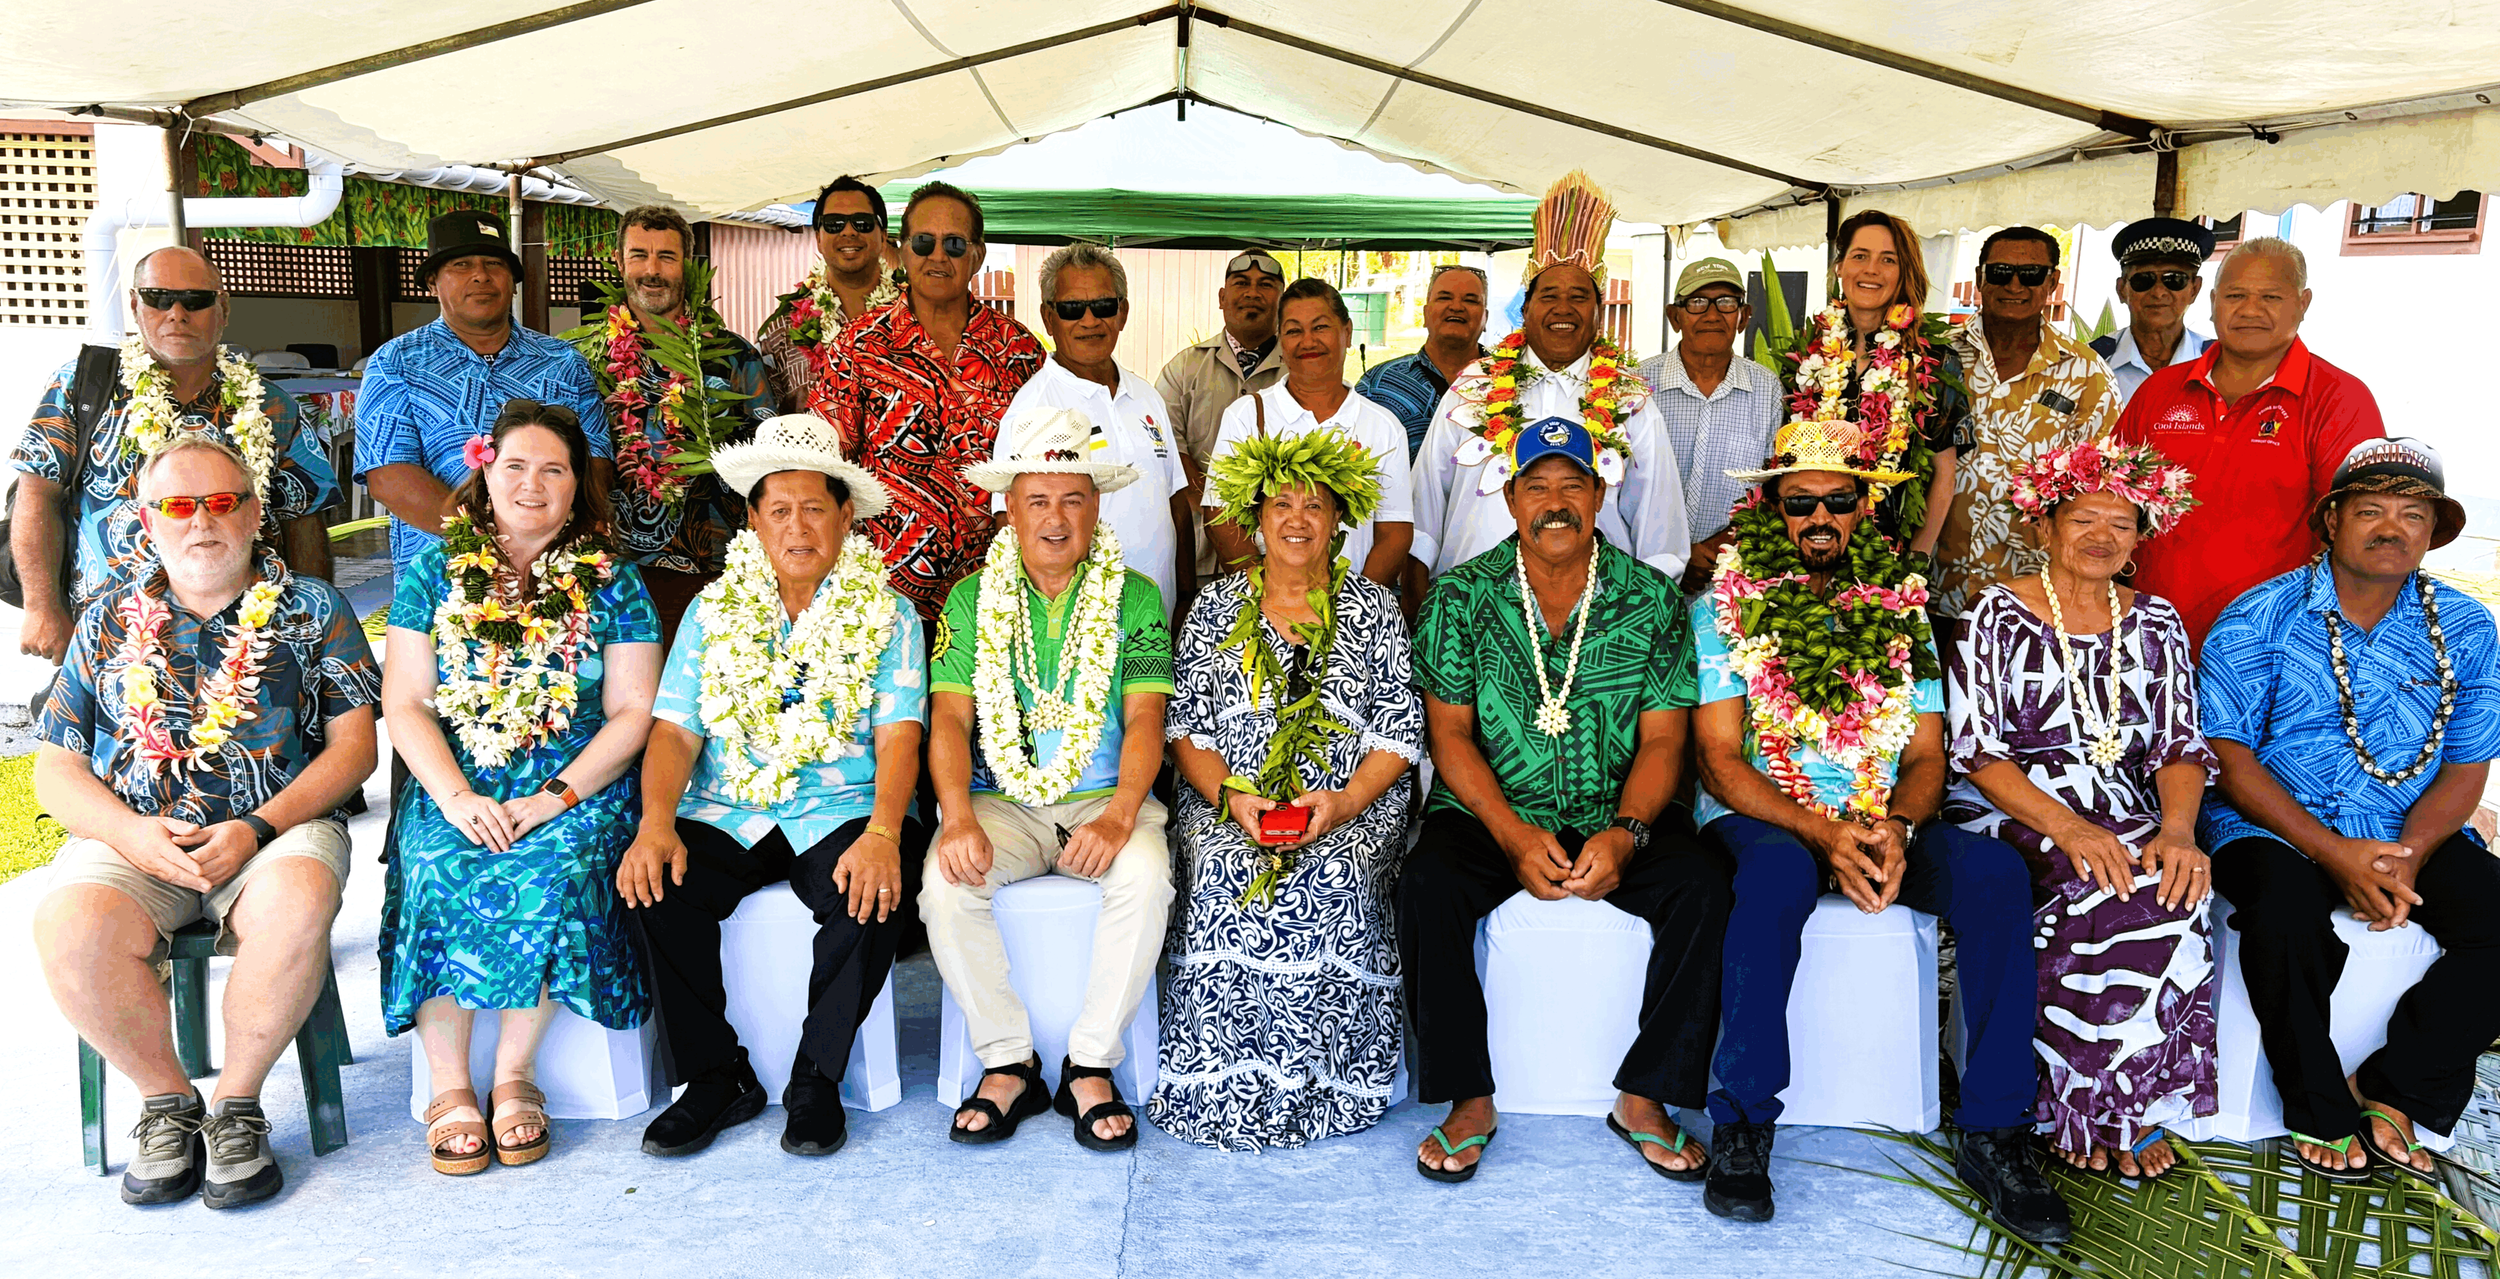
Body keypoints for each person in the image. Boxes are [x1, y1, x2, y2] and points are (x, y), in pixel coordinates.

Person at [1693, 416, 2067, 1242]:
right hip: (1769, 814)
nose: (1819, 517)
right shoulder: (1725, 607)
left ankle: (1996, 1128)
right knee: (1775, 878)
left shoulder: (1901, 610)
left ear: (1867, 508)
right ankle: (1744, 1122)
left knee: (1996, 877)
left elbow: (1928, 754)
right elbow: (1721, 760)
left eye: (1839, 499)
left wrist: (1896, 824)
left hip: (1878, 810)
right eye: (1799, 503)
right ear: (1772, 510)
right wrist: (1822, 833)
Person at [29, 435, 379, 1209]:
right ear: (147, 520)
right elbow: (55, 766)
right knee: (68, 925)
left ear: (254, 513)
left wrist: (255, 827)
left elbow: (355, 749)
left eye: (222, 502)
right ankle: (168, 1103)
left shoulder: (314, 609)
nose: (201, 522)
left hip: (276, 831)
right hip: (135, 836)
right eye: (178, 506)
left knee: (296, 904)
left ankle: (237, 1109)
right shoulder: (107, 618)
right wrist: (130, 834)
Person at [1398, 415, 1728, 1187]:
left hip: (1617, 805)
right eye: (1536, 486)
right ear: (1509, 498)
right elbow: (1448, 736)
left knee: (1705, 886)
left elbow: (1662, 744)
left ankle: (1645, 1093)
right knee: (1426, 885)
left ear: (1600, 492)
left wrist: (1628, 830)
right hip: (1491, 813)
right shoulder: (1460, 596)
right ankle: (1469, 1095)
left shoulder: (1650, 600)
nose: (1554, 502)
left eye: (1571, 485)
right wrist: (1511, 833)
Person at [620, 412, 927, 1161]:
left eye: (815, 508)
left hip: (843, 806)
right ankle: (716, 1075)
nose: (798, 528)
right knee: (650, 879)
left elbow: (899, 737)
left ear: (845, 515)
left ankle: (816, 1076)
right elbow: (675, 731)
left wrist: (885, 832)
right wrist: (655, 821)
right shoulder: (711, 610)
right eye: (779, 510)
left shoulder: (888, 613)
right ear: (753, 520)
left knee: (873, 889)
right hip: (730, 806)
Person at [2198, 438, 2500, 1185]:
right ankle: (2315, 1103)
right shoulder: (2258, 615)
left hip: (2409, 829)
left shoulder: (2466, 628)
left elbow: (2467, 765)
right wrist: (2334, 852)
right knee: (2284, 915)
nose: (2392, 527)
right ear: (2330, 520)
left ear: (2432, 532)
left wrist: (2409, 853)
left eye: (2412, 513)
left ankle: (2393, 1087)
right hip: (2271, 824)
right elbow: (2229, 760)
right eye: (2371, 510)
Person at [378, 400, 659, 1176]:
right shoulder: (436, 569)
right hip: (460, 774)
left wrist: (556, 797)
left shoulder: (615, 580)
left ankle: (513, 1075)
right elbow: (404, 703)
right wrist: (455, 798)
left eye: (553, 470)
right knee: (438, 861)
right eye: (515, 467)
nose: (532, 485)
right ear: (484, 472)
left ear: (578, 488)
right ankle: (447, 1087)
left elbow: (634, 712)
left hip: (577, 779)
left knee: (554, 863)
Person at [1944, 436, 2216, 1177]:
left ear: (2141, 536)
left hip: (2126, 806)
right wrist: (2068, 825)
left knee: (2173, 882)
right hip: (2014, 805)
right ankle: (2068, 1099)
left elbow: (2181, 745)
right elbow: (1976, 750)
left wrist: (2181, 831)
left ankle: (2127, 1103)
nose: (2102, 536)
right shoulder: (1994, 615)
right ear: (2043, 526)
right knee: (2095, 878)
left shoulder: (2156, 623)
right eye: (2083, 518)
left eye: (2120, 522)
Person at [1148, 428, 1422, 1151]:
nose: (1297, 520)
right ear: (1257, 520)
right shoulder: (1212, 609)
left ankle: (1327, 1083)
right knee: (1224, 867)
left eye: (1315, 505)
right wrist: (1233, 798)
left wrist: (1341, 804)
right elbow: (1187, 729)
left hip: (1352, 799)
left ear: (1339, 520)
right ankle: (1218, 1077)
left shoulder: (1374, 608)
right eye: (1281, 506)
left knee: (1336, 870)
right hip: (1228, 798)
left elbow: (1397, 734)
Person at [922, 407, 1175, 1151]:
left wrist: (1124, 812)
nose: (1056, 518)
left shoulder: (1134, 596)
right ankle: (1007, 1061)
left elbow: (1145, 720)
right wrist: (958, 814)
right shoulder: (972, 598)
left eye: (1073, 498)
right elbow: (950, 723)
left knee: (1148, 874)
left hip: (1105, 796)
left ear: (1097, 506)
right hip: (1002, 803)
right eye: (1038, 499)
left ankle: (1091, 1060)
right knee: (944, 881)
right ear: (1010, 508)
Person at [12, 246, 339, 662]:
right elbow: (37, 494)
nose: (177, 313)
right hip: (111, 636)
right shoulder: (82, 388)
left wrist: (312, 622)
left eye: (196, 300)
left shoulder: (271, 407)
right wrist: (42, 607)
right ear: (135, 304)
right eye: (159, 298)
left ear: (222, 308)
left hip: (248, 641)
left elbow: (303, 521)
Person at [1412, 173, 1691, 583]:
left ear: (1599, 314)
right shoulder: (1473, 386)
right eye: (1549, 296)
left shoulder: (1630, 399)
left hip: (1596, 615)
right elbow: (1425, 509)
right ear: (1524, 310)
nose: (1564, 309)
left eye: (1579, 297)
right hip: (1471, 610)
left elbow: (1659, 530)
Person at [2114, 237, 2383, 647]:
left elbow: (2361, 529)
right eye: (2236, 295)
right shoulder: (2159, 391)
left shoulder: (2337, 398)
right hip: (2147, 638)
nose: (2250, 310)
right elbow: (2111, 500)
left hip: (2271, 648)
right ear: (2213, 301)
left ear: (2303, 303)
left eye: (2270, 296)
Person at [818, 181, 1044, 623]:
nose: (938, 256)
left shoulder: (1019, 351)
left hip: (994, 600)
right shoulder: (857, 347)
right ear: (902, 252)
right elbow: (828, 470)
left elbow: (1045, 467)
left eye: (954, 244)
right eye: (924, 242)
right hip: (882, 602)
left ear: (977, 256)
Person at [359, 210, 612, 583]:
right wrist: (487, 540)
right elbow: (389, 474)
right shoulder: (396, 362)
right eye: (461, 265)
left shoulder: (563, 362)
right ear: (432, 282)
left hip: (554, 569)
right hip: (443, 574)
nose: (481, 275)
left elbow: (596, 461)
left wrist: (540, 538)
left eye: (494, 263)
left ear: (513, 283)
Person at [574, 205, 778, 640]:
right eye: (639, 255)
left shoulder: (733, 357)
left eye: (666, 256)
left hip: (719, 572)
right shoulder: (585, 363)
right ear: (617, 260)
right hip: (614, 571)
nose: (652, 270)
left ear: (687, 264)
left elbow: (769, 467)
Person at [1934, 227, 2120, 624]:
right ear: (1981, 278)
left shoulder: (2085, 372)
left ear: (2052, 282)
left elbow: (2099, 490)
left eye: (2031, 274)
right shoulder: (1937, 357)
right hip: (1931, 585)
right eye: (2001, 272)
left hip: (2034, 599)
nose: (2014, 285)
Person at [999, 243, 1194, 618]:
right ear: (1048, 317)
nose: (1090, 321)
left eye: (1103, 306)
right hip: (1079, 631)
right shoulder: (1034, 405)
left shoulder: (1147, 396)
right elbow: (1010, 521)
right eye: (1072, 308)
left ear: (1122, 313)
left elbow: (1176, 504)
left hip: (1158, 618)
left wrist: (1185, 597)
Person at [1782, 209, 1969, 562]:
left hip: (1890, 556)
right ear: (1840, 267)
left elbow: (1944, 475)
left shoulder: (1934, 362)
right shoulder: (1807, 356)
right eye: (1860, 256)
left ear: (1904, 272)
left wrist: (1917, 558)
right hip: (1809, 548)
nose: (1871, 269)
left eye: (1888, 259)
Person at [1205, 278, 1413, 588]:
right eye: (1293, 331)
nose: (1308, 341)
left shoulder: (1382, 427)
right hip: (1266, 609)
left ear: (1346, 333)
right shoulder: (1246, 416)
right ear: (1280, 341)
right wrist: (1265, 597)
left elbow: (1395, 531)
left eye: (1320, 327)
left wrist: (1355, 607)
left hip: (1352, 612)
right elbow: (1221, 516)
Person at [1634, 257, 1782, 593]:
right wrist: (1673, 556)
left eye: (1727, 303)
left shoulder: (1767, 389)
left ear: (1743, 317)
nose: (1713, 315)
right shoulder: (1638, 385)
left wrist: (1714, 549)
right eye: (1697, 302)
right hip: (1643, 573)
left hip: (1728, 579)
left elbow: (1772, 488)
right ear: (1675, 317)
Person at [1154, 249, 1287, 584]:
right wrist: (1215, 508)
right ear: (1222, 297)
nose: (1252, 293)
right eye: (1241, 283)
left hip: (1281, 558)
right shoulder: (1184, 369)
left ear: (1282, 300)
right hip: (1195, 556)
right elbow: (1164, 448)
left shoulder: (1299, 371)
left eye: (1266, 285)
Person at [758, 176, 902, 410]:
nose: (848, 232)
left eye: (862, 223)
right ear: (818, 238)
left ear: (884, 235)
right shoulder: (781, 332)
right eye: (835, 223)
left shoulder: (915, 314)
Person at [1354, 263, 1489, 460]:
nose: (1456, 307)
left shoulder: (1512, 382)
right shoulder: (1378, 385)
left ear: (1486, 317)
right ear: (1425, 314)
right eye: (1444, 298)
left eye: (1470, 300)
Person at [2090, 218, 2215, 405]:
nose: (2158, 292)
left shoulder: (2219, 362)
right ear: (2122, 289)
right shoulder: (2090, 362)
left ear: (2194, 290)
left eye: (2174, 280)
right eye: (2143, 280)